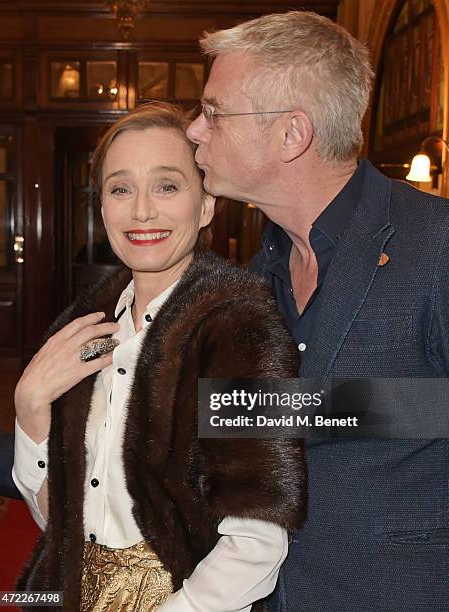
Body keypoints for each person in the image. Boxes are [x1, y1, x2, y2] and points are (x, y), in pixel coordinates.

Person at [186, 10, 449, 612]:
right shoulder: (256, 275)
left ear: (292, 134)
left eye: (215, 112)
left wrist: (295, 407)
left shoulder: (435, 244)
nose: (196, 130)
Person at [12, 102, 307, 612]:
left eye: (167, 186)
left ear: (207, 204)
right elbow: (60, 521)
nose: (141, 210)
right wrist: (29, 410)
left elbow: (257, 537)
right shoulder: (84, 329)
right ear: (101, 208)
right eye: (121, 188)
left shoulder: (236, 327)